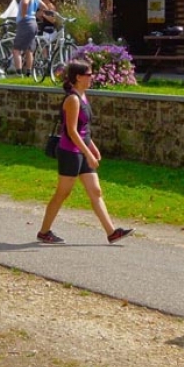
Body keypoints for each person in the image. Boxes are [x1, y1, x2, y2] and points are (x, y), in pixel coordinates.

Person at [37, 59, 134, 245]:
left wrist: (93, 148)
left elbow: (84, 129)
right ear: (78, 77)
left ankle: (112, 232)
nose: (92, 78)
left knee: (95, 191)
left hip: (82, 150)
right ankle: (44, 232)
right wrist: (88, 154)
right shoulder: (73, 99)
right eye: (89, 75)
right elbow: (72, 132)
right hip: (69, 152)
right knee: (62, 193)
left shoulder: (83, 96)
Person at [11, 0, 47, 76]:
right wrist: (37, 14)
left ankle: (18, 73)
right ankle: (28, 72)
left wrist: (23, 14)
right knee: (29, 50)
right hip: (33, 23)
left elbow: (25, 3)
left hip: (25, 24)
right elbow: (44, 6)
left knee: (16, 49)